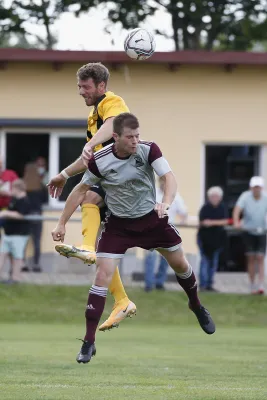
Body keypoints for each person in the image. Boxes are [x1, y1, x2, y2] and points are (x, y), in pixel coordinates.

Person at [50, 113, 215, 364]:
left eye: (138, 135)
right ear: (115, 137)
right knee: (101, 276)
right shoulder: (100, 161)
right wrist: (61, 222)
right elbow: (80, 190)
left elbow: (169, 178)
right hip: (119, 226)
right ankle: (88, 342)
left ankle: (196, 305)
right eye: (130, 137)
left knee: (181, 265)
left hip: (151, 220)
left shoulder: (148, 150)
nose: (136, 141)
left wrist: (166, 203)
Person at [47, 62, 136, 331]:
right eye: (79, 86)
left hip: (126, 179)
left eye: (85, 87)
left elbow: (114, 124)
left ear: (101, 86)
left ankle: (87, 248)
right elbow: (89, 160)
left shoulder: (112, 102)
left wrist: (89, 143)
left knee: (88, 197)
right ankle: (122, 301)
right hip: (111, 178)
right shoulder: (94, 116)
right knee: (105, 249)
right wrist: (63, 173)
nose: (80, 92)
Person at [144, 180, 187, 291]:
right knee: (150, 258)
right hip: (152, 230)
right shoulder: (152, 194)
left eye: (166, 183)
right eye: (162, 182)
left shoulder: (175, 196)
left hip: (167, 229)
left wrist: (183, 219)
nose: (164, 185)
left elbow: (183, 212)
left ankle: (159, 282)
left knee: (166, 258)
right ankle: (149, 284)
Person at [233, 176, 267, 295]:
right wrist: (236, 222)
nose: (256, 190)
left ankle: (261, 285)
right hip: (248, 230)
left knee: (261, 258)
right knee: (251, 258)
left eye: (258, 187)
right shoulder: (245, 196)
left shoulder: (265, 197)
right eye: (254, 187)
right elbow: (237, 210)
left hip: (262, 230)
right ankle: (252, 285)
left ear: (261, 188)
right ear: (251, 188)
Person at [197, 187, 229, 291]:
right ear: (209, 197)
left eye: (217, 196)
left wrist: (211, 222)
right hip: (204, 240)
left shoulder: (222, 207)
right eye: (212, 196)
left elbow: (226, 221)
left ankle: (210, 285)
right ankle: (203, 285)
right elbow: (202, 222)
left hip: (218, 240)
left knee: (213, 263)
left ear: (220, 198)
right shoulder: (205, 208)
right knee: (204, 262)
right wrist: (213, 223)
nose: (214, 198)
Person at [0, 179, 31, 283]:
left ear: (17, 189)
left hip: (19, 235)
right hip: (8, 234)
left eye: (12, 188)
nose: (11, 190)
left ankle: (16, 278)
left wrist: (5, 214)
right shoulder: (14, 199)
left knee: (18, 257)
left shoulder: (25, 201)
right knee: (2, 254)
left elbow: (21, 215)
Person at [23, 157, 48, 272]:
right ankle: (36, 265)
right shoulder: (41, 187)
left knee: (24, 241)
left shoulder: (24, 188)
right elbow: (44, 200)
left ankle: (24, 264)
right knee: (36, 241)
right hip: (37, 215)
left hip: (25, 216)